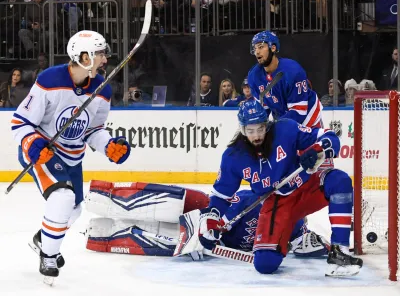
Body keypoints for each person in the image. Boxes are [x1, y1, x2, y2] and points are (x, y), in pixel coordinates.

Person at [10, 30, 131, 280]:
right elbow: (20, 122)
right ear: (84, 56)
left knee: (73, 210)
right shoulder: (49, 80)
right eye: (99, 54)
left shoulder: (102, 89)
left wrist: (108, 144)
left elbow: (93, 129)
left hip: (72, 157)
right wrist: (32, 144)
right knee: (63, 197)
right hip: (44, 151)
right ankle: (49, 256)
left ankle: (42, 239)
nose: (104, 60)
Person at [196, 98, 362, 277]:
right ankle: (295, 232)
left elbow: (329, 136)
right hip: (277, 204)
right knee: (265, 264)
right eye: (250, 131)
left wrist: (318, 150)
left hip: (307, 187)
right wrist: (210, 221)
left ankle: (340, 252)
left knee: (339, 181)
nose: (257, 135)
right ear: (242, 129)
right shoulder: (233, 156)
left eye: (260, 128)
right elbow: (221, 196)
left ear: (266, 124)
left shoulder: (286, 129)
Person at [84, 180, 329, 258]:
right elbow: (230, 203)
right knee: (199, 199)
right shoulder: (265, 200)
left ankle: (103, 237)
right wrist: (212, 225)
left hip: (208, 244)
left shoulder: (293, 234)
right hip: (205, 216)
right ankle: (109, 196)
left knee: (173, 242)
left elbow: (311, 246)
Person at [247, 31, 323, 128]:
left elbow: (299, 111)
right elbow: (262, 109)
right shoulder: (254, 76)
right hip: (281, 117)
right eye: (255, 48)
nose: (257, 52)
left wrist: (276, 128)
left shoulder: (293, 71)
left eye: (261, 47)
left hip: (308, 118)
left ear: (273, 48)